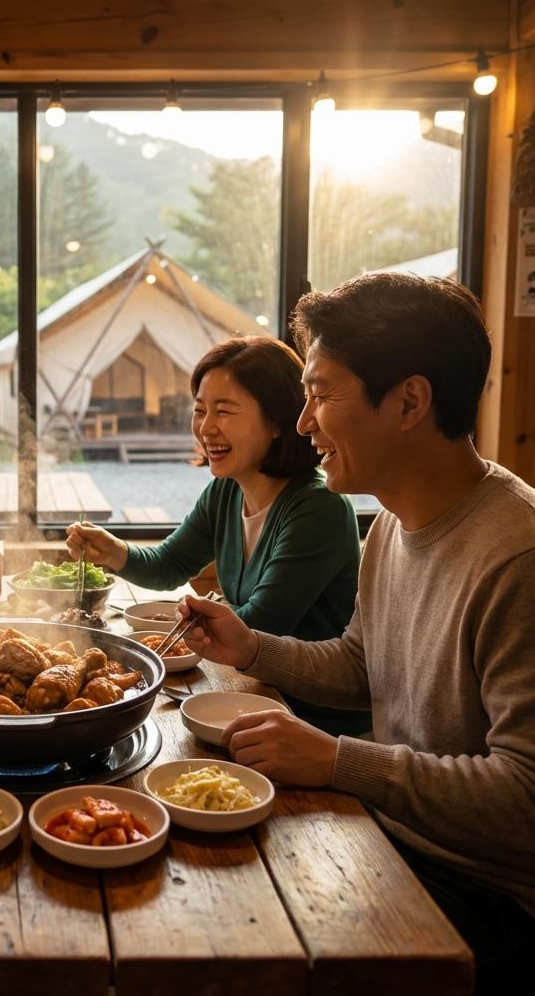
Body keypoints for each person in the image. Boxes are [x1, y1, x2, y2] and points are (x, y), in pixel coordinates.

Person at [179, 274, 535, 995]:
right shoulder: (393, 529)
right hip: (390, 832)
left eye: (322, 393)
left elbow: (525, 799)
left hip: (486, 898)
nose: (304, 423)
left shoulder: (517, 554)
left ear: (409, 401)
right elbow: (360, 664)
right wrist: (249, 647)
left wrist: (340, 761)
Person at [66, 335, 368, 736]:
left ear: (278, 421)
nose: (206, 427)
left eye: (224, 411)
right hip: (248, 689)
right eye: (200, 410)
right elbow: (170, 565)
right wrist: (115, 552)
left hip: (311, 719)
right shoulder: (228, 489)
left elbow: (261, 625)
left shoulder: (317, 507)